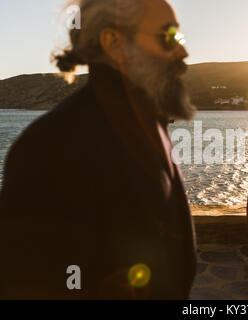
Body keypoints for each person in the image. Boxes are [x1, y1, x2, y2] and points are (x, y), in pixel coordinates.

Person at [0, 0, 197, 299]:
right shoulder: (49, 147)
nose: (183, 51)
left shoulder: (150, 124)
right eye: (168, 36)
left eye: (180, 38)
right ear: (114, 43)